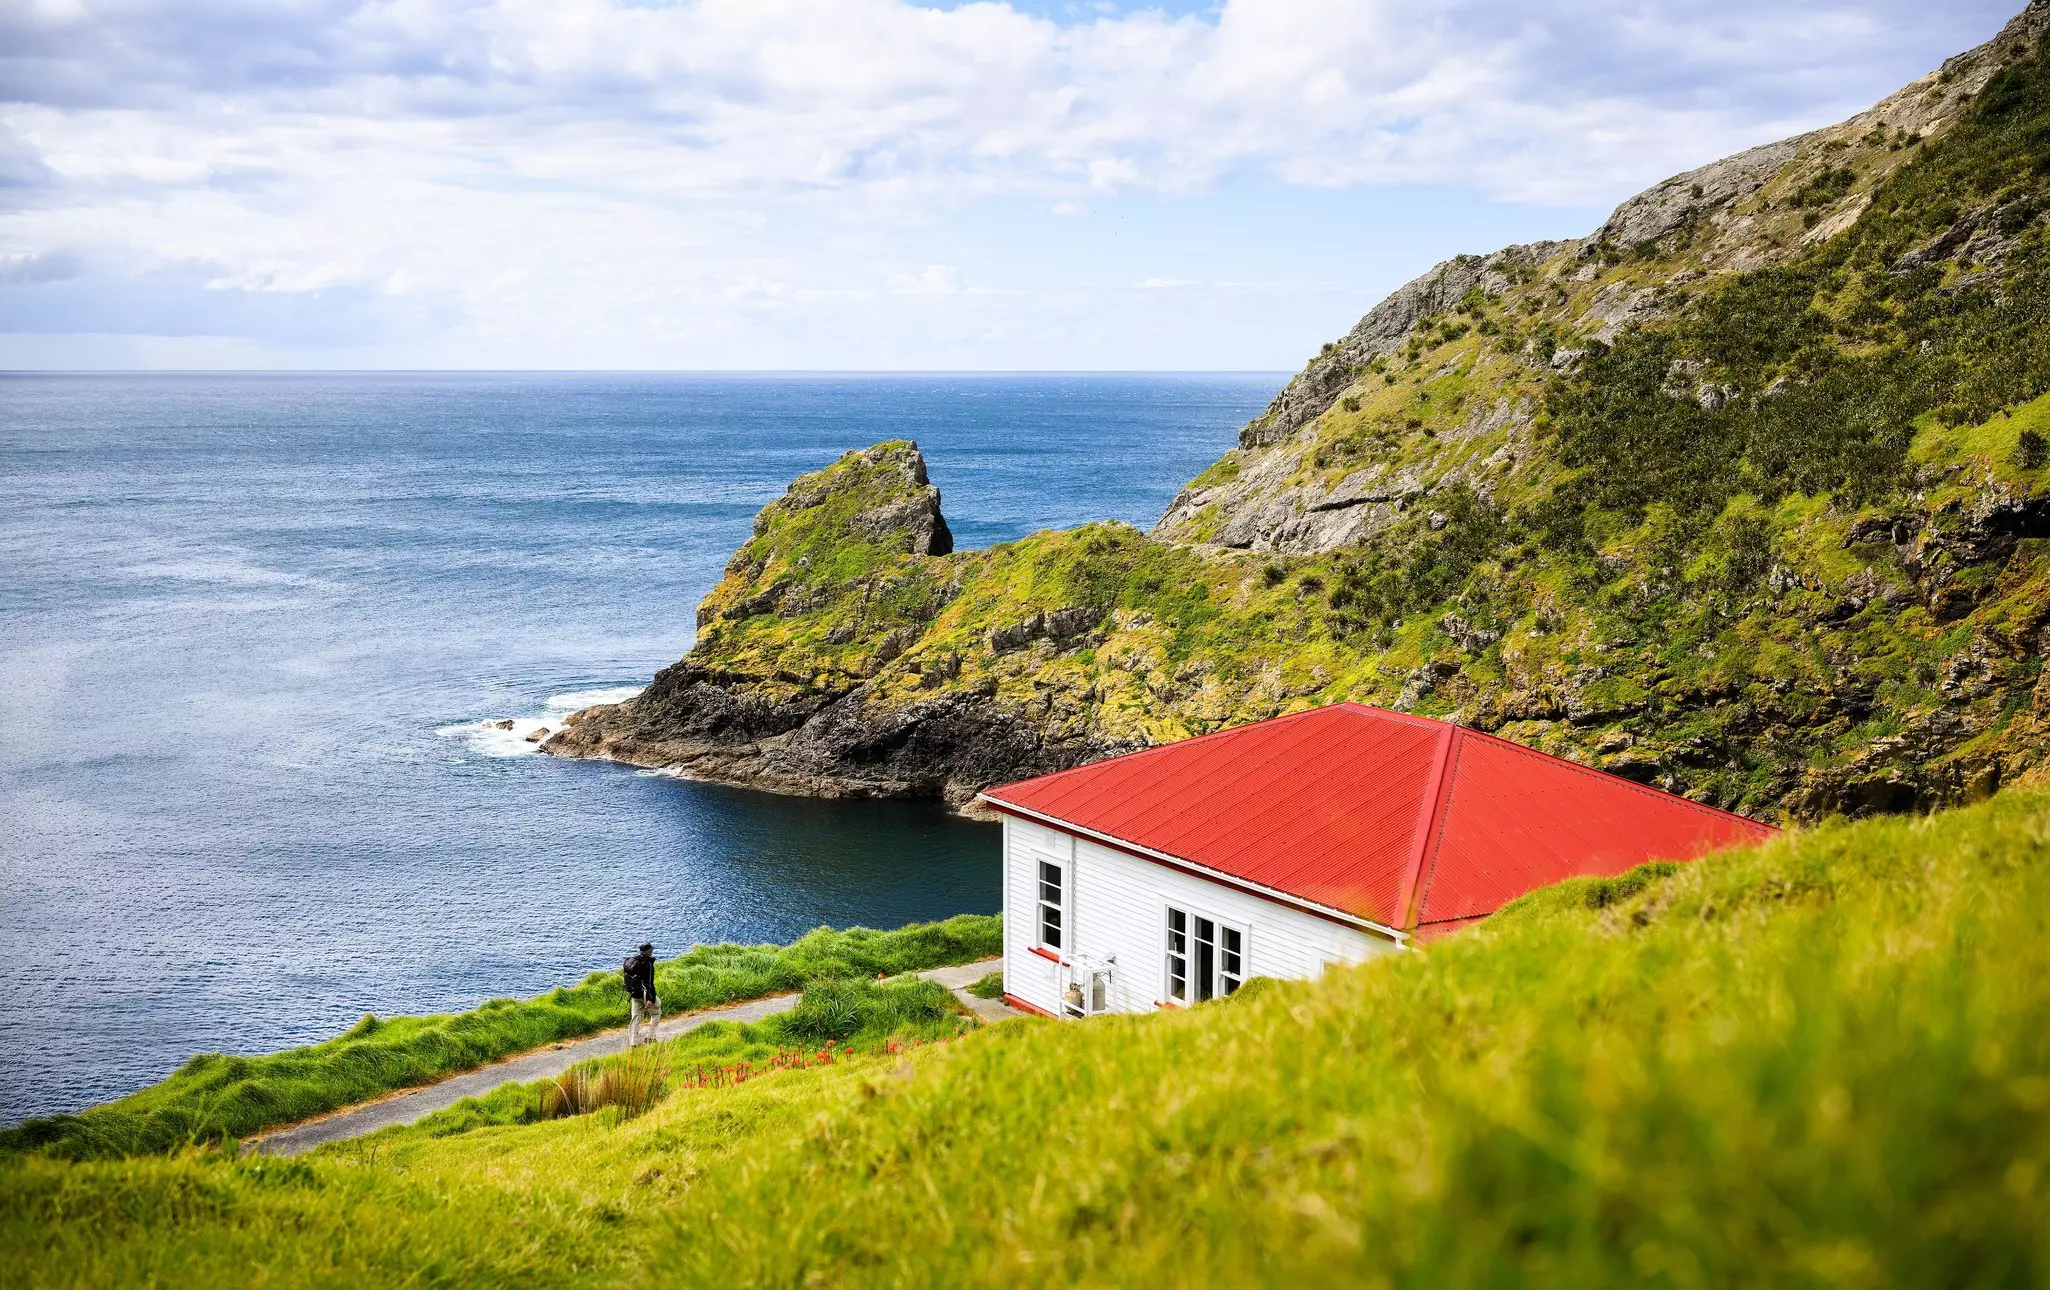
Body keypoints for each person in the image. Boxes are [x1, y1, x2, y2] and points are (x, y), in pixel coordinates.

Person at [623, 942, 660, 1047]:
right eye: (651, 950)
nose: (652, 951)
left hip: (634, 993)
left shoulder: (633, 961)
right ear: (648, 952)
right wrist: (650, 998)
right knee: (656, 1012)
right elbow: (649, 983)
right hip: (645, 993)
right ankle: (651, 1037)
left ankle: (633, 1043)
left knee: (635, 1017)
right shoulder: (647, 963)